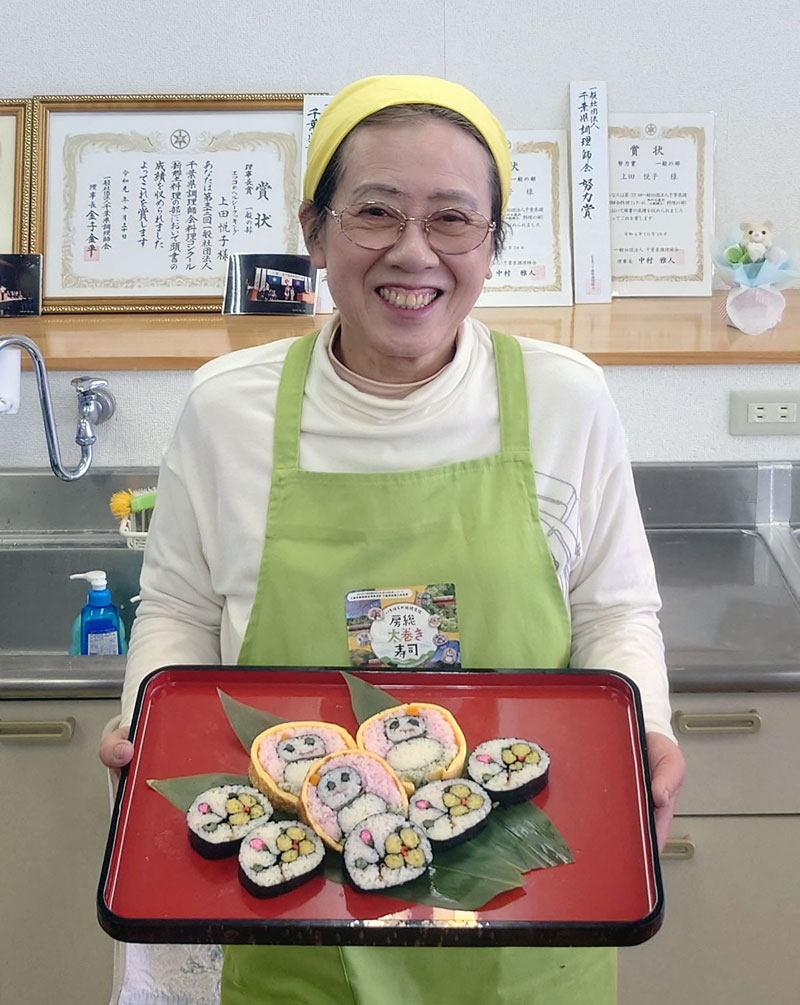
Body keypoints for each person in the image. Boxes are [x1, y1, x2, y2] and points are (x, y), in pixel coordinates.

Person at [101, 74, 685, 1004]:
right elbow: (179, 606)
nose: (414, 253)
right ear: (315, 229)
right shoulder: (227, 409)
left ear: (492, 243)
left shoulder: (566, 397)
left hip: (527, 907)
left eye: (454, 219)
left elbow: (614, 609)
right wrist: (149, 727)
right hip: (293, 903)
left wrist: (643, 724)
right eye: (376, 211)